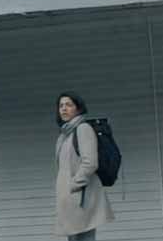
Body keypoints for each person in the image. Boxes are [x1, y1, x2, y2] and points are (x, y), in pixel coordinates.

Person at [55, 91, 113, 241]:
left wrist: (74, 185)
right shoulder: (64, 135)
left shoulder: (82, 129)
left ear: (78, 108)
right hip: (71, 199)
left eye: (69, 105)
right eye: (61, 106)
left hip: (81, 198)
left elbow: (90, 163)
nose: (64, 108)